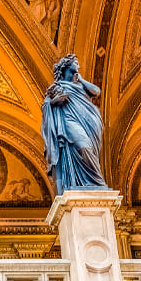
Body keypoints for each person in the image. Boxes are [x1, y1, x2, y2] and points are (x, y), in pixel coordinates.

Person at [41, 54, 108, 194]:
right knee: (83, 146)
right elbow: (46, 105)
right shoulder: (56, 86)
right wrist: (54, 101)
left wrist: (81, 79)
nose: (78, 65)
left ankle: (94, 184)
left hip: (88, 121)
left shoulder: (81, 85)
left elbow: (96, 91)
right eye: (75, 62)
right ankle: (95, 181)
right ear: (66, 66)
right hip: (68, 120)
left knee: (88, 147)